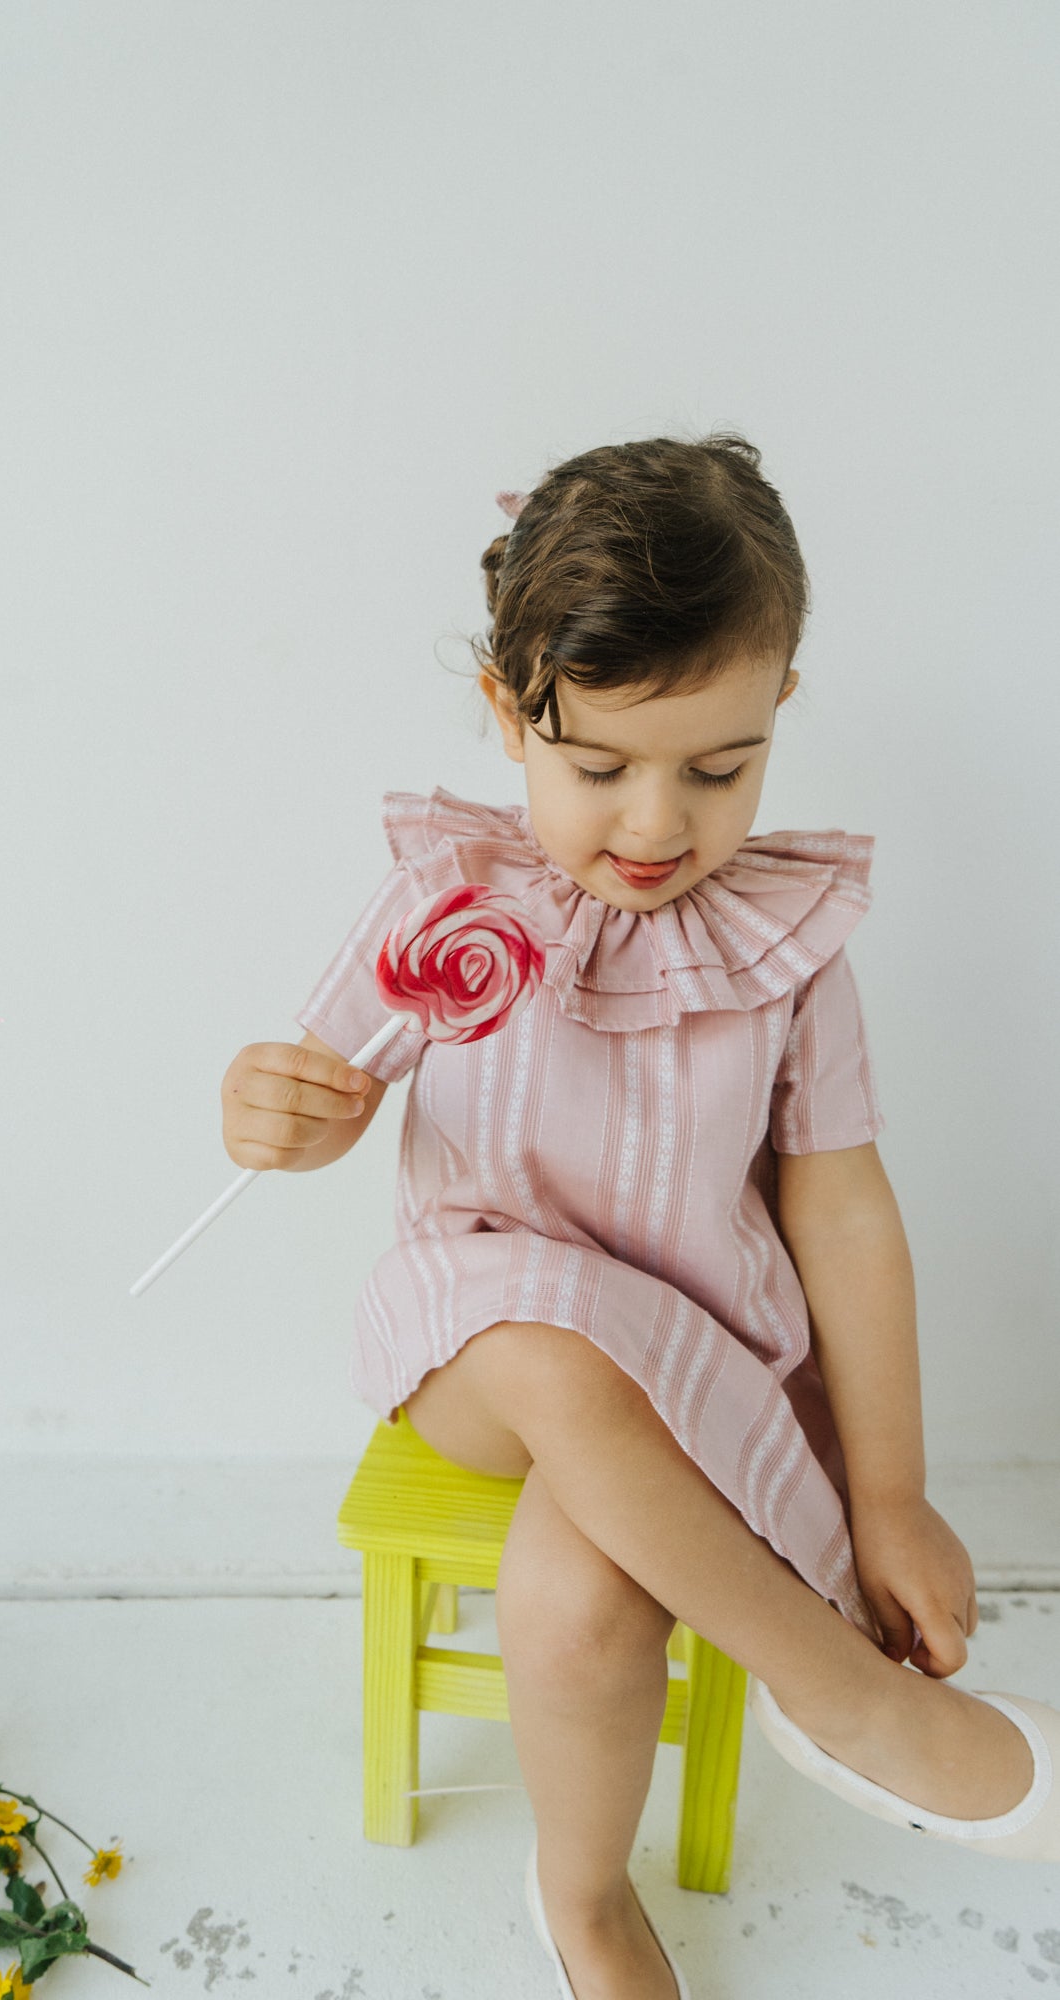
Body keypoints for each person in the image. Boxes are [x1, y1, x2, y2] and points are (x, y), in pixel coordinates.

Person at [219, 436, 1059, 2000]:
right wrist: (271, 1117)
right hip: (477, 1346)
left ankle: (581, 1897)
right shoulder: (446, 907)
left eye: (716, 767)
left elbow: (844, 1212)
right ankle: (846, 1705)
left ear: (778, 709)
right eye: (598, 767)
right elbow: (314, 1094)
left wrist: (890, 1494)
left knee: (586, 1609)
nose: (655, 824)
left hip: (695, 1374)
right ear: (506, 711)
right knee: (546, 1339)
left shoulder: (789, 950)